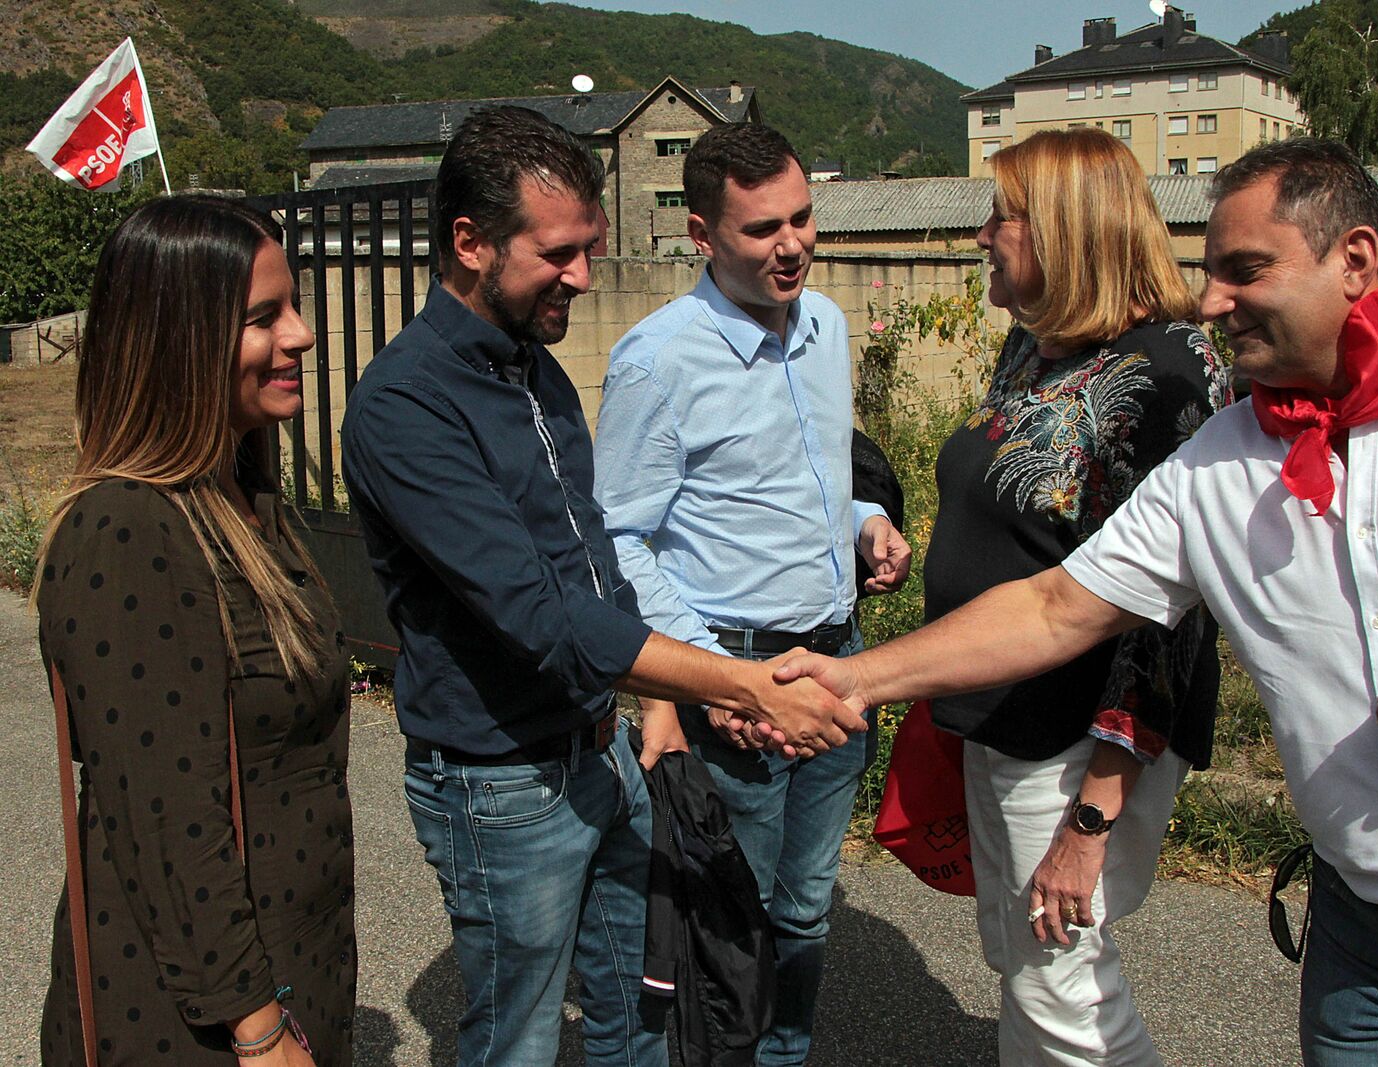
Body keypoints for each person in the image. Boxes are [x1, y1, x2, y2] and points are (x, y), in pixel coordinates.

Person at [776, 137, 1378, 1065]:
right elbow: (1055, 605)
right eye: (1209, 273)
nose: (1210, 302)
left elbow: (1156, 651)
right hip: (1366, 939)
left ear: (1356, 261)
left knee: (1063, 986)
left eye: (1244, 272)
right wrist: (854, 676)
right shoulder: (1225, 458)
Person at [339, 107, 861, 1067]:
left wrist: (657, 698)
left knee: (640, 1012)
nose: (584, 275)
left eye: (591, 248)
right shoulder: (404, 407)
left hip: (600, 748)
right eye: (560, 252)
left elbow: (596, 554)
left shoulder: (533, 369)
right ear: (469, 242)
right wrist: (731, 682)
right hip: (500, 782)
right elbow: (539, 612)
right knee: (522, 1037)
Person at [592, 121, 910, 1065]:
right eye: (762, 229)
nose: (793, 245)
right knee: (729, 917)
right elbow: (620, 537)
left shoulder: (828, 327)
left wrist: (863, 524)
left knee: (806, 907)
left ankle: (784, 1055)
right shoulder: (657, 360)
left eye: (804, 219)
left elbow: (814, 474)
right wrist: (718, 676)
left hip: (838, 657)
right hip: (738, 672)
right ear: (701, 234)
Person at [919, 128, 1226, 1066]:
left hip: (1076, 737)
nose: (980, 236)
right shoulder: (1038, 342)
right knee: (1020, 955)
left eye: (999, 216)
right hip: (1000, 714)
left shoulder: (1168, 367)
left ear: (1062, 228)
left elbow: (1169, 615)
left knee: (1064, 985)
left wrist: (1093, 816)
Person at [36, 196, 351, 1066]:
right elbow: (167, 818)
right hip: (197, 1020)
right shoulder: (127, 529)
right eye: (262, 317)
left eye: (292, 304)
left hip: (292, 972)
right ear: (181, 342)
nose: (302, 334)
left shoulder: (243, 502)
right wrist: (256, 1030)